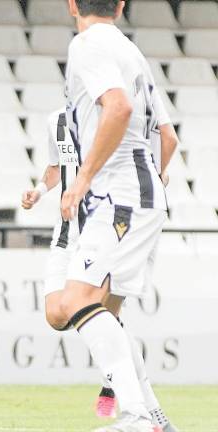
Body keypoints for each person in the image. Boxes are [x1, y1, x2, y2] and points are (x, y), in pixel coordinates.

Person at [55, 0, 176, 430]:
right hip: (139, 196)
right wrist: (150, 187)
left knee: (76, 301)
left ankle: (136, 416)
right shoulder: (130, 50)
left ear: (72, 4)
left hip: (117, 197)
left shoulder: (88, 44)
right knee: (105, 308)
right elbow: (169, 137)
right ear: (121, 6)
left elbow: (118, 108)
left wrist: (83, 179)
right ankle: (154, 417)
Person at [21, 107, 179, 431]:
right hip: (66, 232)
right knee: (57, 313)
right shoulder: (56, 120)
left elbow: (164, 145)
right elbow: (56, 167)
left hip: (108, 224)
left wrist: (158, 176)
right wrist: (38, 190)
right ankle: (138, 404)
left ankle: (145, 413)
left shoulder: (117, 118)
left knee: (104, 309)